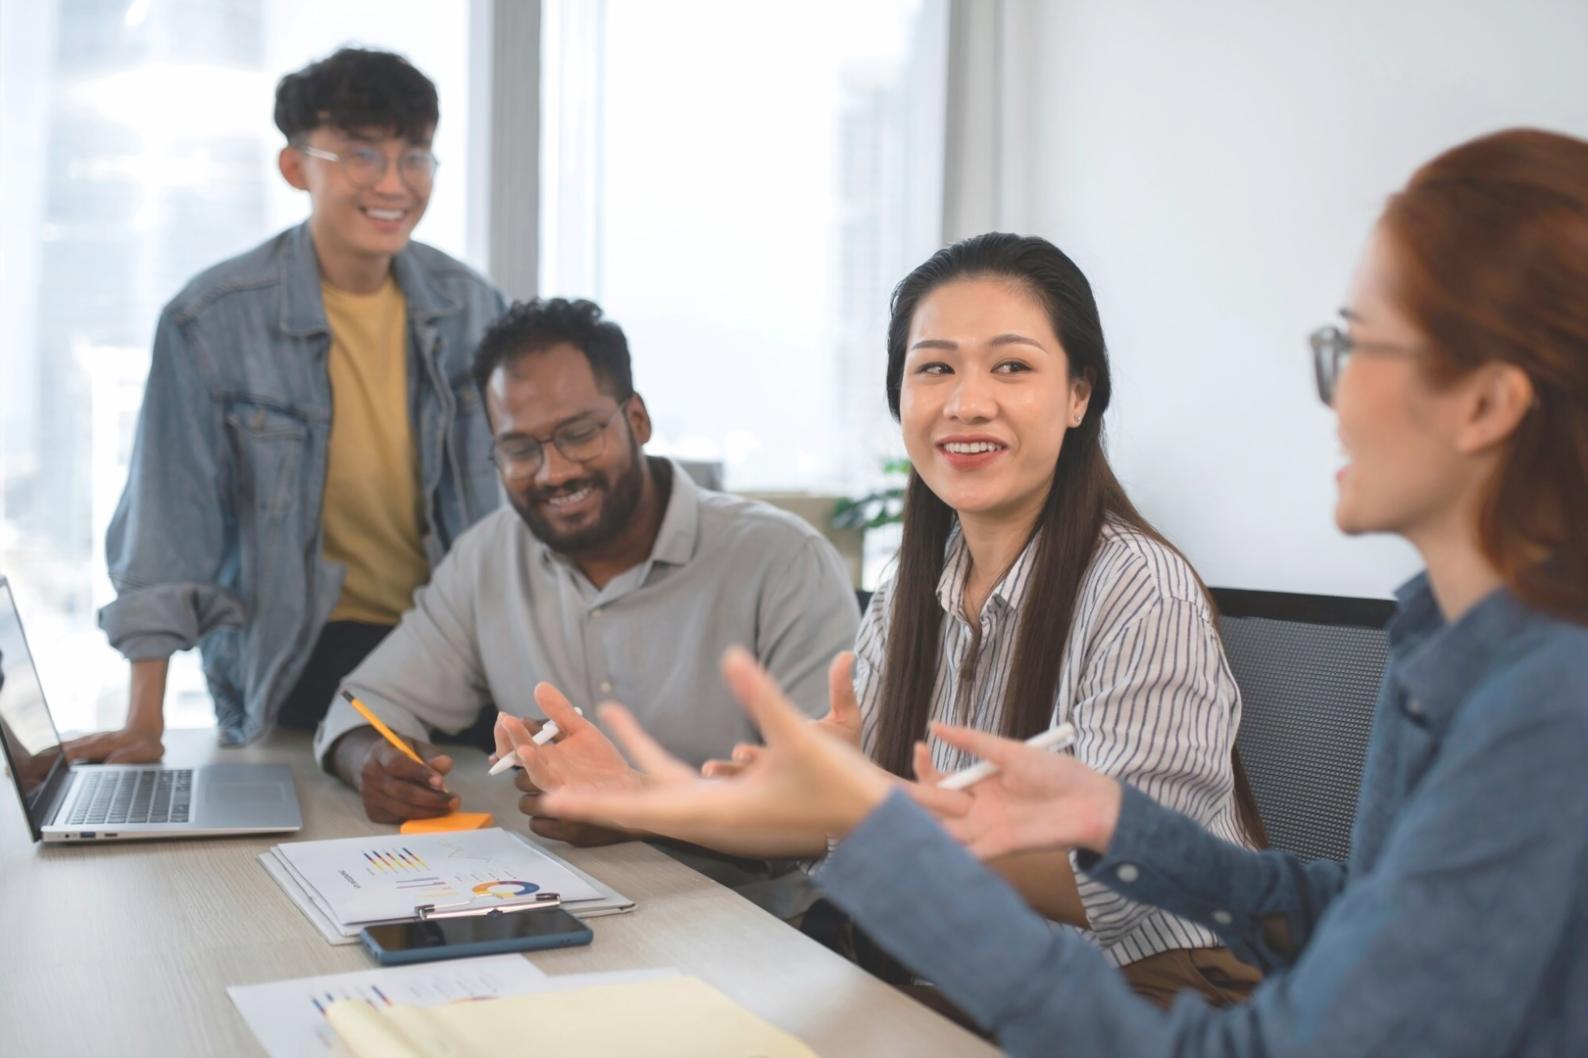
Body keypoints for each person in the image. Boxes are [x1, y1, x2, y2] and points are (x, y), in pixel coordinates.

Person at [532, 128, 1588, 1056]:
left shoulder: (1540, 700)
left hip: (1137, 993)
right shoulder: (1437, 639)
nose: (1331, 393)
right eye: (933, 368)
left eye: (1352, 345)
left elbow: (1283, 1027)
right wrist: (1118, 823)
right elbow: (1360, 911)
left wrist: (880, 821)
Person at [502, 233, 1265, 1005]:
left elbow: (1120, 883)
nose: (966, 402)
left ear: (1078, 396)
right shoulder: (912, 588)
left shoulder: (1140, 588)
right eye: (934, 367)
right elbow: (831, 826)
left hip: (1158, 994)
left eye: (1013, 366)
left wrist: (868, 806)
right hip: (981, 977)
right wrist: (633, 794)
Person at [315, 297, 859, 918]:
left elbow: (827, 810)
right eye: (520, 449)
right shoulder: (488, 557)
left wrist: (641, 809)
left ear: (637, 419)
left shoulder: (782, 560)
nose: (553, 472)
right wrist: (372, 761)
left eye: (579, 434)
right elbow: (365, 705)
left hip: (752, 924)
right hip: (555, 905)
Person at [71, 47, 505, 762]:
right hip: (301, 651)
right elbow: (168, 523)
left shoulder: (472, 308)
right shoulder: (211, 319)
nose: (393, 184)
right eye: (362, 156)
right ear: (295, 166)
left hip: (454, 640)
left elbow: (515, 515)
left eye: (415, 157)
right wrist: (142, 725)